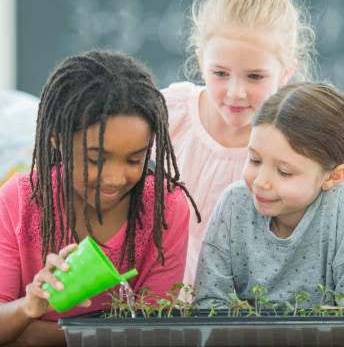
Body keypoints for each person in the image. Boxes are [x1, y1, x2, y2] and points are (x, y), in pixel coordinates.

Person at [0, 49, 197, 345]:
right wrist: (29, 308)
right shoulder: (17, 201)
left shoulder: (165, 206)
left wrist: (32, 335)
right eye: (96, 159)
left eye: (134, 160)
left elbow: (151, 333)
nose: (116, 178)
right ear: (57, 139)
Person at [162, 0, 315, 287]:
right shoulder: (170, 113)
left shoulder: (295, 144)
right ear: (201, 61)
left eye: (255, 77)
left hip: (247, 316)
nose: (235, 92)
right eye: (220, 73)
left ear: (286, 72)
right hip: (163, 309)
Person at [195, 82, 344, 309]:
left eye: (284, 172)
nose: (260, 182)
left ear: (333, 176)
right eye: (255, 160)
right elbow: (208, 303)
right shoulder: (234, 203)